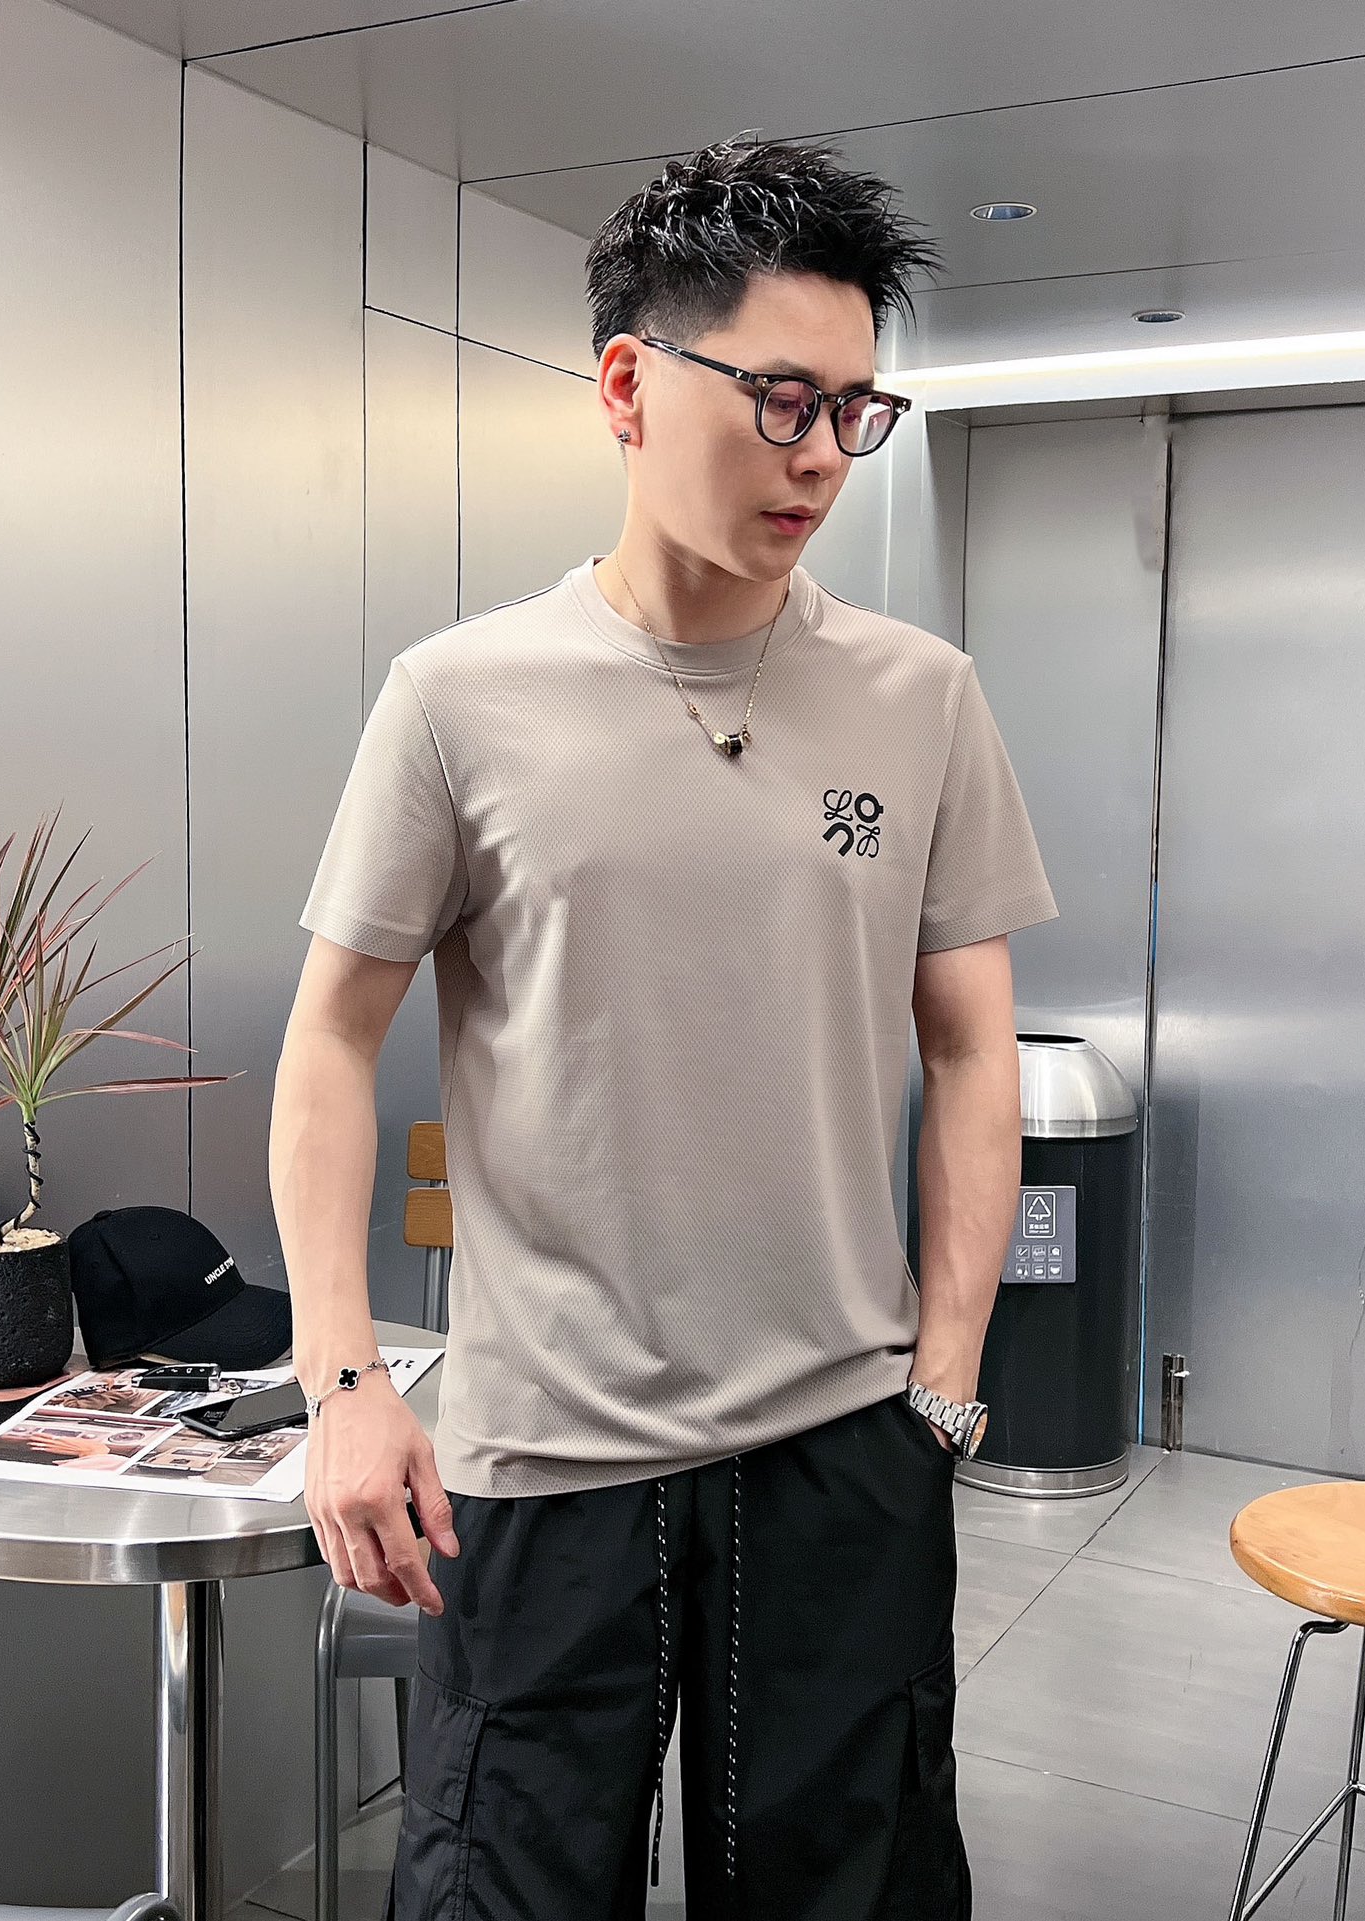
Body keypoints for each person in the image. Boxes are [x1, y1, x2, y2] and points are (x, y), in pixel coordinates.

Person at [271, 132, 1059, 1921]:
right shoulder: (457, 698)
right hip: (544, 1453)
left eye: (853, 409)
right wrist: (346, 1385)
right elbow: (329, 1042)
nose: (820, 453)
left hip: (840, 1442)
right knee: (502, 1890)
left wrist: (940, 1383)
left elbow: (969, 1049)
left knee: (849, 1887)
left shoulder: (922, 699)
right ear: (628, 385)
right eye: (780, 397)